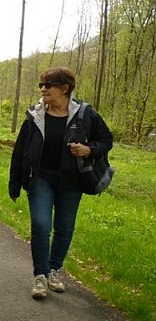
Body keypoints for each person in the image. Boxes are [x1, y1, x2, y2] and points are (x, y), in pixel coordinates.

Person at [9, 67, 113, 300]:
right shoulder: (35, 115)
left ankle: (54, 270)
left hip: (72, 180)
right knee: (41, 224)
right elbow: (20, 151)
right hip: (41, 178)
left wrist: (89, 149)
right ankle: (40, 276)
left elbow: (106, 140)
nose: (43, 89)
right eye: (41, 85)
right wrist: (14, 182)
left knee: (64, 228)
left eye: (48, 85)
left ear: (64, 89)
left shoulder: (85, 114)